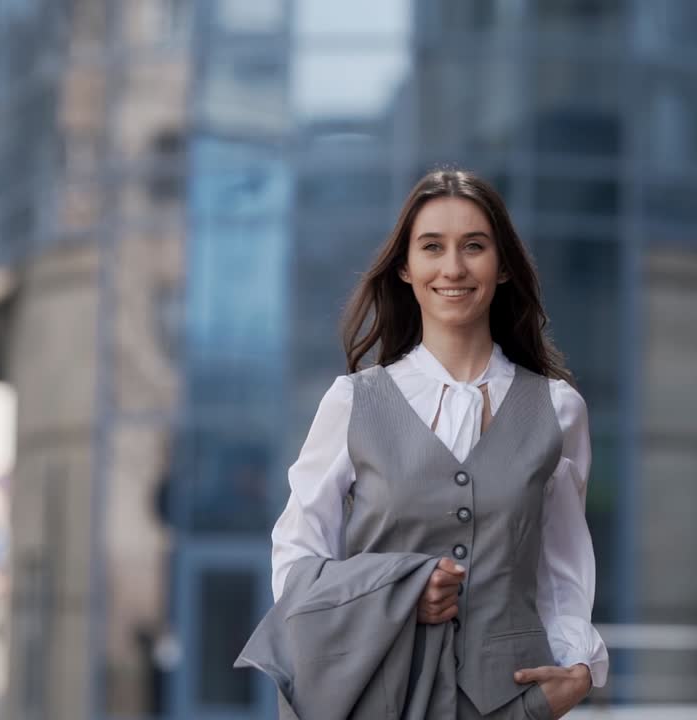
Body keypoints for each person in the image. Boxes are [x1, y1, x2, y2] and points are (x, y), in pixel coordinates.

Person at [248, 170, 608, 718]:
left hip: (512, 701)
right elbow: (296, 561)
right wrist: (395, 594)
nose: (454, 267)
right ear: (405, 267)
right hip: (379, 696)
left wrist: (577, 671)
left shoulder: (559, 410)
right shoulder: (352, 402)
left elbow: (563, 566)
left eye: (475, 247)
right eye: (432, 247)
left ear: (503, 265)